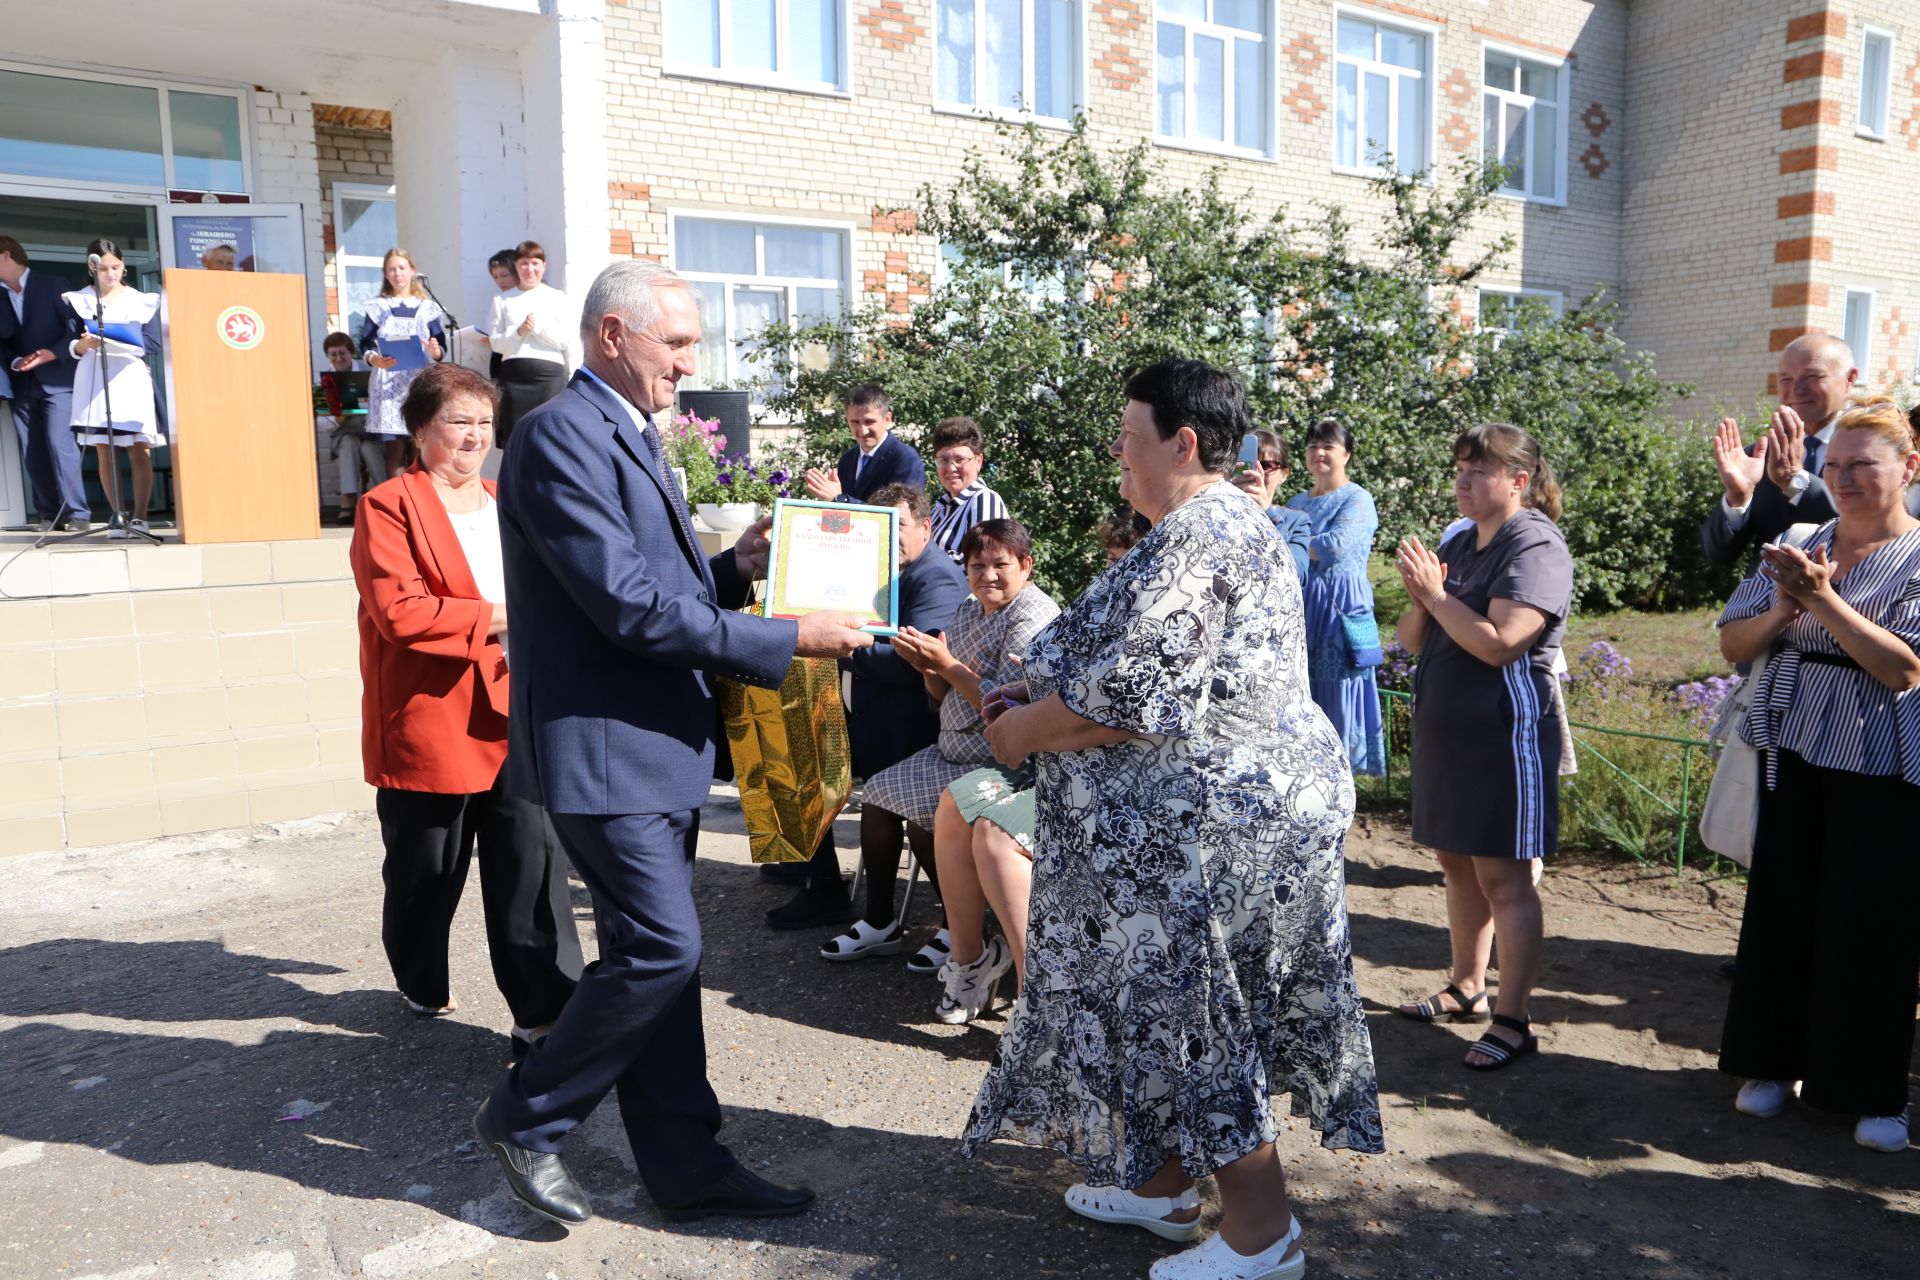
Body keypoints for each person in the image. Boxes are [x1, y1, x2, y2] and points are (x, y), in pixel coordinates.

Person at [471, 260, 872, 1227]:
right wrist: (788, 638)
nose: (692, 363)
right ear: (613, 335)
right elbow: (627, 609)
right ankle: (527, 1117)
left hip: (653, 747)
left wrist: (735, 567)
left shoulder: (625, 430)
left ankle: (686, 1164)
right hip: (604, 751)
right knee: (660, 946)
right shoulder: (561, 435)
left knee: (667, 962)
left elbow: (661, 587)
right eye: (679, 343)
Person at [961, 359, 1380, 1280]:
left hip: (1209, 823)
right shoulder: (1206, 525)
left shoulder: (1205, 531)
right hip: (1195, 814)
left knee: (1193, 1009)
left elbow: (1133, 697)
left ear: (1182, 443)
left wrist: (1021, 732)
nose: (1115, 451)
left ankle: (1261, 1235)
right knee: (1151, 1001)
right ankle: (1161, 1186)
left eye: (1127, 434)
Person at [349, 362, 583, 1049]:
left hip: (518, 711)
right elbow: (401, 611)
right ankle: (420, 977)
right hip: (433, 716)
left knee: (532, 867)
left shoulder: (508, 499)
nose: (475, 435)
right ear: (422, 428)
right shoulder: (388, 505)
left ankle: (545, 1013)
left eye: (485, 422)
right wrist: (510, 619)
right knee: (426, 872)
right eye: (459, 421)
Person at [1715, 398, 1920, 1154]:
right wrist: (1782, 605)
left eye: (1864, 465)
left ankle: (1869, 1092)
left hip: (1884, 766)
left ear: (1909, 468)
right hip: (1790, 750)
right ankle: (1770, 1064)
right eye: (1835, 467)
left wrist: (1822, 599)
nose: (1845, 479)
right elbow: (1734, 644)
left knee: (1870, 928)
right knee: (1782, 913)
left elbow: (1903, 668)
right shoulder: (1798, 537)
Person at [1392, 424, 1573, 1073]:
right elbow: (1415, 640)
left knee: (1504, 876)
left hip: (1507, 738)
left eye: (1478, 472)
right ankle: (1468, 986)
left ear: (1519, 480)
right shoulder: (1461, 541)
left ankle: (1515, 1019)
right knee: (1459, 865)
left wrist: (1439, 597)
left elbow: (1501, 641)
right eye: (1459, 471)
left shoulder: (1536, 544)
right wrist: (1423, 599)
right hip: (1451, 738)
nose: (1463, 484)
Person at [832, 518, 1059, 977]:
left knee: (927, 820)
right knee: (878, 794)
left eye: (1001, 565)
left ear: (1026, 566)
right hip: (951, 745)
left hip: (999, 755)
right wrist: (927, 668)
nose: (988, 576)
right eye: (978, 565)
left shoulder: (1033, 615)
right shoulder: (971, 610)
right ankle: (880, 921)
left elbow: (1007, 706)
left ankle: (959, 929)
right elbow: (941, 697)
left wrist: (948, 664)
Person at [768, 482, 969, 932]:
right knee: (792, 755)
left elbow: (914, 663)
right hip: (873, 720)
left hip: (910, 732)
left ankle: (833, 892)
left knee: (809, 765)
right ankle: (820, 881)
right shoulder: (881, 570)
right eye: (884, 533)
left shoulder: (933, 576)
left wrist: (839, 650)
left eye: (900, 531)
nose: (892, 542)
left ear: (926, 528)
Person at [1700, 333, 1859, 569]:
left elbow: (1862, 528)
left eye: (1812, 376)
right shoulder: (1760, 456)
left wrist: (1796, 483)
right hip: (1763, 603)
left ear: (1850, 379)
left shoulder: (1872, 452)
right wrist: (1737, 499)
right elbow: (1716, 556)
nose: (1796, 389)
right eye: (1785, 379)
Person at [1286, 418, 1386, 775]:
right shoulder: (1297, 500)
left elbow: (1336, 547)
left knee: (1338, 693)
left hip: (1339, 608)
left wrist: (1287, 540)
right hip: (1300, 604)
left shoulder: (1357, 498)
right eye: (1313, 445)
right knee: (1300, 691)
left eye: (1328, 445)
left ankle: (1340, 780)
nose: (1319, 452)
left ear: (1347, 454)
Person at [62, 239, 161, 539]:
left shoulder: (141, 300)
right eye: (103, 268)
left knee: (138, 447)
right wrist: (80, 344)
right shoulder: (78, 300)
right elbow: (69, 339)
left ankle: (141, 518)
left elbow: (153, 343)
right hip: (95, 375)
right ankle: (118, 515)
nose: (110, 274)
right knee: (104, 449)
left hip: (128, 375)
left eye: (115, 267)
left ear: (124, 266)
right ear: (92, 268)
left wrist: (120, 341)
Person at [0, 235, 88, 531]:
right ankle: (50, 515)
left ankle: (77, 514)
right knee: (32, 449)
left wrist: (54, 353)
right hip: (21, 383)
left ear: (5, 255)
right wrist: (13, 361)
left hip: (58, 380)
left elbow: (76, 330)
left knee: (60, 443)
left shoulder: (54, 284)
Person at [359, 248, 445, 481]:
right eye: (391, 269)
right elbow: (365, 343)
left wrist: (435, 351)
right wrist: (374, 359)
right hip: (388, 383)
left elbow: (440, 346)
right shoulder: (378, 306)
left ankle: (420, 497)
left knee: (418, 444)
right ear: (385, 274)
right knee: (394, 448)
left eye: (401, 268)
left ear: (412, 271)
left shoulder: (427, 307)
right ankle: (397, 501)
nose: (397, 273)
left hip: (417, 382)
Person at [487, 240, 577, 446]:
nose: (530, 269)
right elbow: (496, 343)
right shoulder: (502, 300)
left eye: (535, 263)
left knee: (550, 436)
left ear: (543, 266)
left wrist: (537, 329)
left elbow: (564, 340)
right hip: (514, 377)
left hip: (548, 375)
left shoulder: (556, 297)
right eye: (524, 263)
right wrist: (519, 332)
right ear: (516, 267)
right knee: (515, 438)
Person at [803, 383, 925, 503]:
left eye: (869, 422)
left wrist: (840, 499)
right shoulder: (848, 460)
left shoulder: (905, 460)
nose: (863, 430)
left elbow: (900, 517)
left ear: (887, 419)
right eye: (855, 422)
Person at [1233, 427, 1310, 583]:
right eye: (1249, 465)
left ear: (1283, 475)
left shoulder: (1296, 521)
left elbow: (1298, 574)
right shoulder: (1220, 511)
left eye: (1267, 465)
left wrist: (1267, 513)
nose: (1257, 472)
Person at [927, 416, 1008, 562]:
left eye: (960, 460)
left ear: (978, 461)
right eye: (943, 460)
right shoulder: (939, 510)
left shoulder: (984, 500)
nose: (951, 468)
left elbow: (986, 562)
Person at [323, 331, 382, 527]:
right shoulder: (326, 381)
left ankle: (382, 495)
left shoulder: (369, 372)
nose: (338, 358)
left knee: (368, 448)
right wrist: (341, 415)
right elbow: (323, 424)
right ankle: (347, 499)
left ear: (351, 353)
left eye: (342, 353)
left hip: (371, 430)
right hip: (345, 431)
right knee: (349, 442)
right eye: (333, 354)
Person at [484, 248, 519, 379]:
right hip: (498, 357)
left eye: (504, 275)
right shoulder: (498, 299)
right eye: (495, 277)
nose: (500, 281)